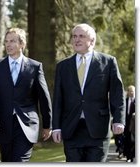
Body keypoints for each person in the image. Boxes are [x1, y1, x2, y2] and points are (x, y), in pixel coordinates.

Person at [52, 23, 125, 162]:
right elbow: (58, 99)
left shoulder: (108, 62)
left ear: (92, 40)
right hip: (71, 129)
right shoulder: (63, 66)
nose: (76, 40)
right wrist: (56, 127)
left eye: (81, 36)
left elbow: (117, 94)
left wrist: (118, 120)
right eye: (74, 36)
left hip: (98, 130)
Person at [0, 27, 52, 162]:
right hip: (2, 125)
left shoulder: (35, 67)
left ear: (22, 44)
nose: (8, 44)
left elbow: (44, 98)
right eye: (6, 41)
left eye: (12, 41)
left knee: (20, 160)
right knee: (7, 160)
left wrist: (47, 125)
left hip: (27, 125)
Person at [123, 85, 135, 162]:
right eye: (130, 91)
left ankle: (133, 156)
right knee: (127, 140)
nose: (131, 92)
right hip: (126, 124)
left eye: (132, 91)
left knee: (133, 141)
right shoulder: (125, 100)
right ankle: (128, 157)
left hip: (134, 125)